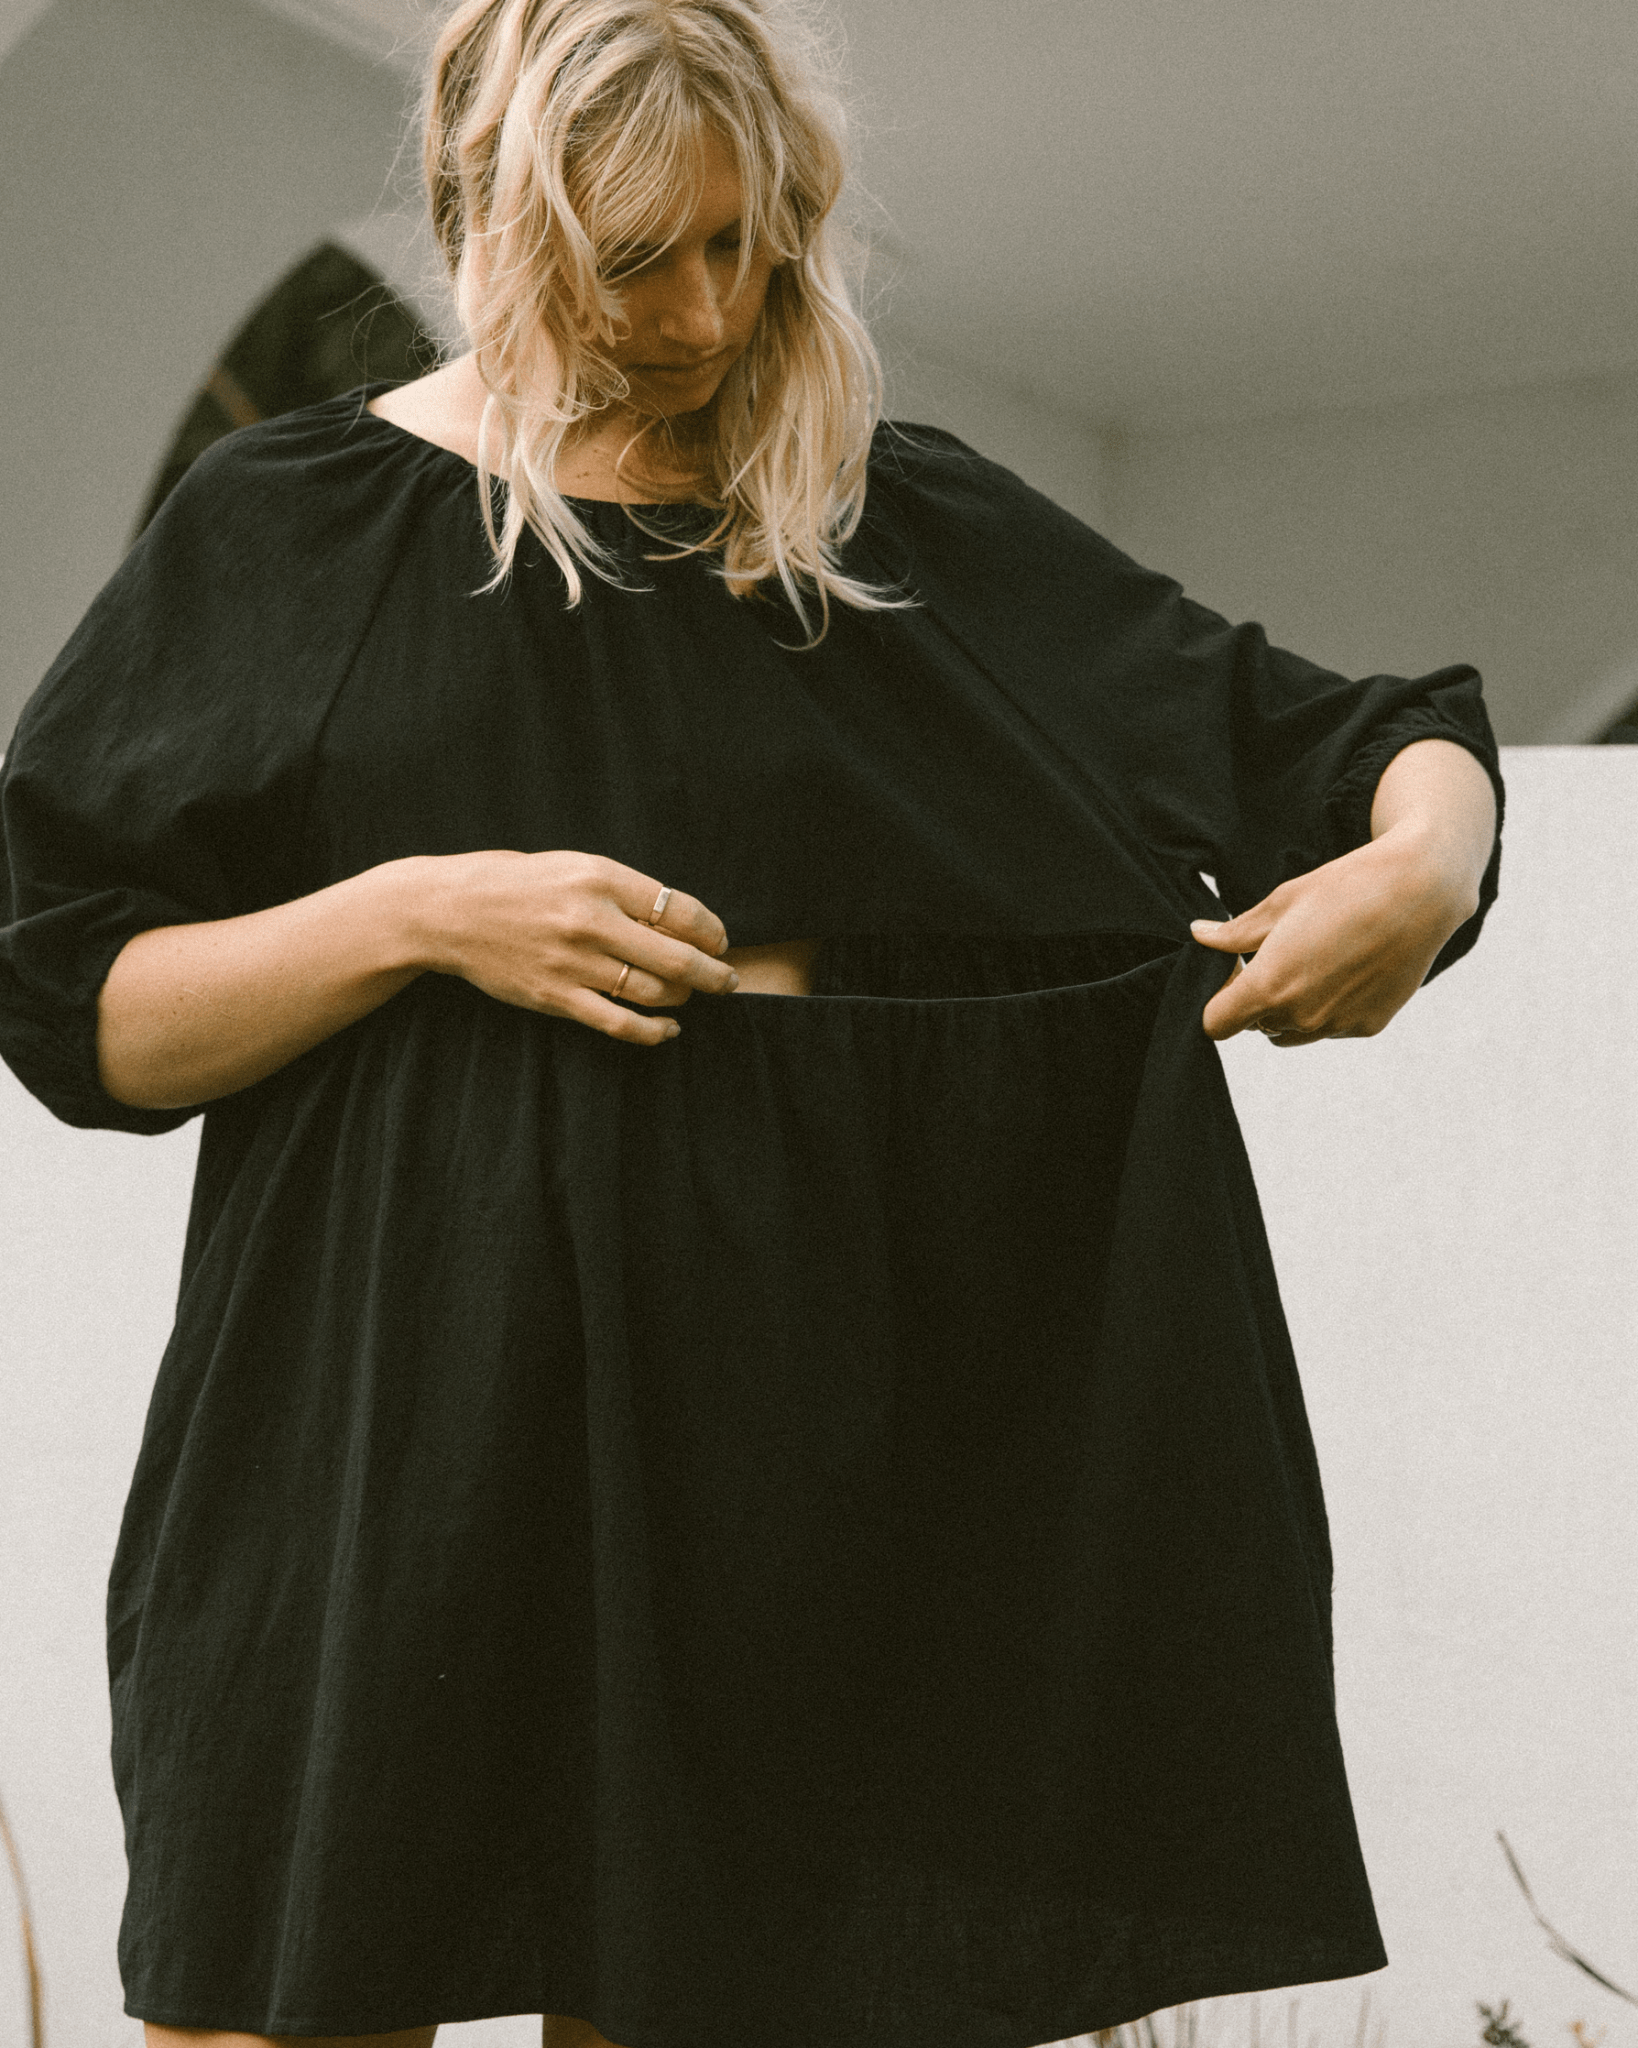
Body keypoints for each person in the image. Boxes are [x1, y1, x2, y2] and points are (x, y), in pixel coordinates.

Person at [0, 1, 1503, 2044]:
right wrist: (416, 914)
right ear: (490, 219)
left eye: (744, 244)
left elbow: (1355, 745)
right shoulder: (287, 527)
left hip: (772, 1487)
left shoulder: (887, 534)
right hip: (369, 1448)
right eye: (637, 257)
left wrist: (1427, 865)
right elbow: (81, 1007)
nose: (704, 315)